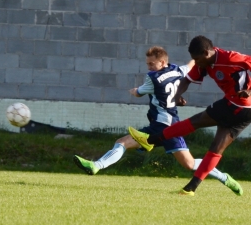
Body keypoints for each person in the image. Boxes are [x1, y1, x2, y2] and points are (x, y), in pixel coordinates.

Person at [73, 45, 242, 195]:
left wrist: (134, 91)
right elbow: (191, 65)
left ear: (162, 63)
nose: (149, 67)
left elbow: (139, 92)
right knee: (186, 163)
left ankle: (96, 166)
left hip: (164, 125)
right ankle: (96, 166)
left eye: (151, 64)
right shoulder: (179, 71)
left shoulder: (152, 78)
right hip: (168, 124)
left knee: (188, 163)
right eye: (147, 64)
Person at [128, 35, 251, 196]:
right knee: (216, 149)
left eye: (197, 59)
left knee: (196, 121)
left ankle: (150, 140)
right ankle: (190, 188)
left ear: (206, 53)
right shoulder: (205, 63)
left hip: (238, 105)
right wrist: (176, 96)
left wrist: (248, 90)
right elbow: (186, 81)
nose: (196, 62)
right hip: (243, 110)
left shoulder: (230, 58)